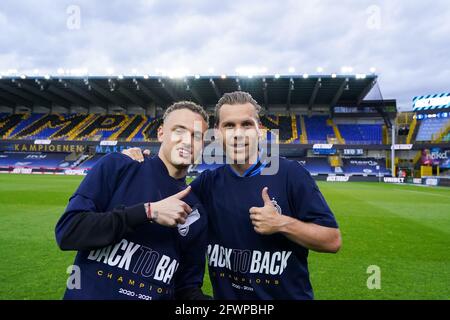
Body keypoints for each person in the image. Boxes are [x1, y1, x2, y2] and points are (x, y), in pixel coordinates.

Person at [124, 91, 342, 300]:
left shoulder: (290, 174)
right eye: (229, 126)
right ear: (218, 133)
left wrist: (282, 224)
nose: (238, 133)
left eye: (246, 124)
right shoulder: (208, 183)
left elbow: (332, 240)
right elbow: (163, 195)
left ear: (259, 130)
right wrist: (139, 162)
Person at [55, 101, 210, 300]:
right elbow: (68, 232)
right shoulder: (119, 166)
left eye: (196, 136)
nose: (187, 141)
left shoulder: (196, 211)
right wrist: (147, 212)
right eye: (179, 131)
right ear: (161, 133)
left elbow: (185, 289)